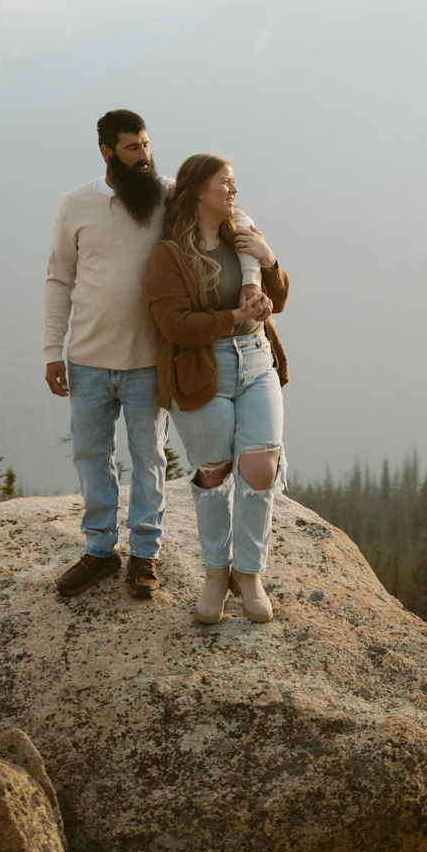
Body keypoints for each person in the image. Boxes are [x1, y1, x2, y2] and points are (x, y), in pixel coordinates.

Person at [44, 112, 263, 599]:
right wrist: (51, 350)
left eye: (146, 145)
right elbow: (59, 278)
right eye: (131, 149)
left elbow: (232, 210)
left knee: (147, 460)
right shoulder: (75, 204)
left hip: (149, 360)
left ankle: (145, 555)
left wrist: (255, 271)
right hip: (87, 358)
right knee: (91, 457)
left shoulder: (165, 194)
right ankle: (99, 552)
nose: (144, 156)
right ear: (106, 152)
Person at [143, 152, 289, 624]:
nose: (233, 190)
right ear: (198, 191)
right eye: (225, 182)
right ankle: (215, 572)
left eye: (234, 182)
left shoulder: (242, 237)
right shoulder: (169, 255)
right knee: (213, 472)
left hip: (256, 360)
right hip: (203, 369)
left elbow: (279, 300)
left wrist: (269, 261)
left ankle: (249, 574)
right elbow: (175, 325)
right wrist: (234, 316)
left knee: (261, 466)